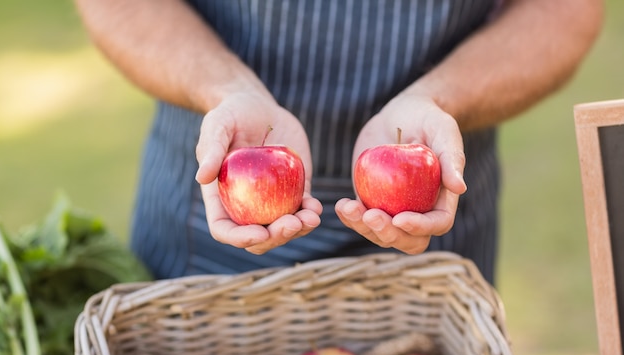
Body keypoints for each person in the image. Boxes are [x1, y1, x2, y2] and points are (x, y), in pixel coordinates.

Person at [74, 0, 602, 285]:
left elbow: (563, 10)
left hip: (436, 208)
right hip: (210, 210)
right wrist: (226, 89)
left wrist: (439, 99)